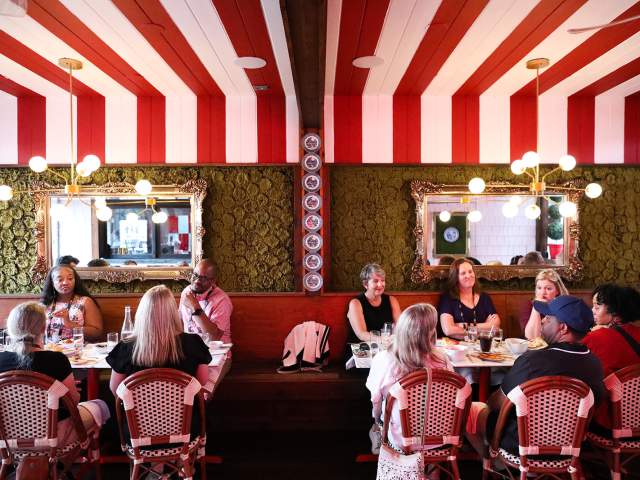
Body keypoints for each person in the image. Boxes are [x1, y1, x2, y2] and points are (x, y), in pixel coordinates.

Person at [467, 295, 604, 457]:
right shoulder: (595, 364)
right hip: (570, 448)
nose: (543, 320)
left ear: (563, 328)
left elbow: (497, 403)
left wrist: (489, 402)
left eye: (548, 317)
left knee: (470, 410)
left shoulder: (533, 360)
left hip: (522, 446)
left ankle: (496, 464)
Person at [0, 303, 109, 447]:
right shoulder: (56, 359)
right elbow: (74, 401)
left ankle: (30, 463)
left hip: (8, 439)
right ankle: (71, 457)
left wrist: (59, 389)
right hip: (53, 437)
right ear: (43, 328)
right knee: (100, 406)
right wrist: (63, 391)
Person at [107, 285, 212, 430]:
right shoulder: (193, 344)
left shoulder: (125, 348)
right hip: (185, 430)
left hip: (137, 431)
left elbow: (116, 389)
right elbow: (202, 381)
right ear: (173, 313)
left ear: (143, 314)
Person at [366, 303, 451, 454]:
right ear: (430, 333)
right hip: (440, 436)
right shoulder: (443, 361)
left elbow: (376, 401)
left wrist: (378, 421)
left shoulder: (384, 359)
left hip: (401, 439)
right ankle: (432, 471)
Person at [583, 286, 640, 435]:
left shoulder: (594, 338)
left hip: (610, 422)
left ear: (614, 311)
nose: (592, 311)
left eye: (597, 306)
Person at [438, 258, 500, 339]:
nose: (468, 276)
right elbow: (448, 330)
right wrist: (484, 329)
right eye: (463, 273)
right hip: (457, 348)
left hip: (481, 346)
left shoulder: (484, 297)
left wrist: (463, 326)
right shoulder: (448, 298)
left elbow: (495, 326)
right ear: (456, 277)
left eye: (470, 271)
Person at [40, 265, 103, 341]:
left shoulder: (85, 302)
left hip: (77, 350)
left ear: (75, 280)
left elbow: (97, 333)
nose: (65, 282)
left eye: (70, 278)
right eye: (60, 280)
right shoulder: (45, 304)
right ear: (52, 283)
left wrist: (69, 324)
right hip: (49, 350)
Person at [346, 263, 401, 347]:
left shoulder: (392, 300)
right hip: (360, 349)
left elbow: (400, 326)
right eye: (375, 281)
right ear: (365, 284)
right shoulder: (355, 303)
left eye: (382, 280)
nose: (380, 285)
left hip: (385, 347)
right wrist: (381, 340)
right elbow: (361, 334)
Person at [179, 259, 233, 344]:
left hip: (216, 353)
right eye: (195, 275)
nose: (197, 281)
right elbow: (180, 324)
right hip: (191, 352)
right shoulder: (186, 292)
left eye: (203, 278)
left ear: (213, 281)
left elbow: (214, 337)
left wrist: (195, 307)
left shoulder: (222, 301)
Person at [521, 269, 569, 339]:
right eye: (539, 288)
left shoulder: (565, 306)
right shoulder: (528, 305)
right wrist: (536, 307)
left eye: (548, 289)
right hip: (533, 348)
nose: (542, 293)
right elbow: (532, 337)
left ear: (557, 291)